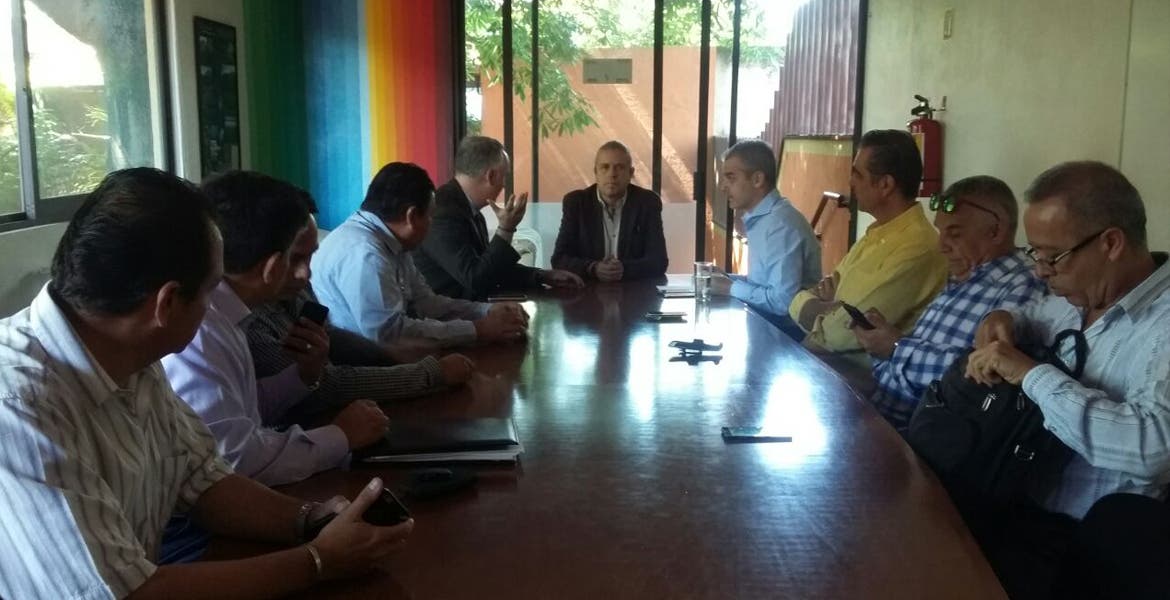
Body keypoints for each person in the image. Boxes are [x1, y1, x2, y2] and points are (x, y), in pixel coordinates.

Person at [0, 168, 411, 599]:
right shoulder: (20, 404)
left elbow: (203, 478)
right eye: (213, 289)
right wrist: (319, 560)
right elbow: (127, 595)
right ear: (167, 304)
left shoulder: (130, 351)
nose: (218, 304)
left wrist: (312, 519)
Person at [963, 161, 1170, 598]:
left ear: (1111, 243)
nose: (1040, 271)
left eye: (1052, 256)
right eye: (1033, 253)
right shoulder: (1073, 296)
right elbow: (1030, 316)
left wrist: (1032, 375)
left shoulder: (1162, 325)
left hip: (1088, 551)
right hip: (1011, 505)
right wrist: (1002, 317)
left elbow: (1154, 448)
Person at [163, 171, 390, 487]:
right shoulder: (202, 332)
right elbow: (235, 461)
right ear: (272, 266)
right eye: (296, 258)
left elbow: (244, 411)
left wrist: (302, 376)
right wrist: (340, 436)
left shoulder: (228, 316)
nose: (305, 274)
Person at [245, 195, 476, 417]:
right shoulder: (250, 321)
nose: (306, 273)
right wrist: (430, 374)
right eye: (294, 258)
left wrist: (387, 355)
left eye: (309, 257)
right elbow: (323, 386)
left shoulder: (290, 289)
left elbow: (329, 335)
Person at [852, 175, 1046, 429]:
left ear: (996, 231)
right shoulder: (963, 278)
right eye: (940, 232)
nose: (941, 246)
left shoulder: (1024, 284)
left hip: (920, 438)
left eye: (955, 234)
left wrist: (896, 347)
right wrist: (881, 342)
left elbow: (983, 372)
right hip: (881, 413)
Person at [313, 162, 528, 348]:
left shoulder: (392, 241)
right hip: (359, 366)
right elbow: (390, 334)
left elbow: (428, 303)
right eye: (430, 216)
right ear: (412, 216)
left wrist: (487, 311)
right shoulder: (366, 254)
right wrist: (478, 330)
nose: (432, 224)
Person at [788, 129, 948, 370]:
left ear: (885, 185)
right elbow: (818, 294)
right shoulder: (877, 233)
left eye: (857, 174)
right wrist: (824, 307)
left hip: (856, 380)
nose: (850, 182)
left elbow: (842, 333)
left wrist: (817, 305)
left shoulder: (918, 247)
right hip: (821, 362)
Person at [414, 135, 583, 300]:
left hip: (468, 309)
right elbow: (476, 279)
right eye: (504, 176)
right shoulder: (443, 212)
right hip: (445, 314)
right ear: (491, 176)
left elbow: (491, 269)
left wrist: (542, 275)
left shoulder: (467, 208)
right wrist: (505, 229)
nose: (503, 184)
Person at [708, 139, 821, 325]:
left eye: (731, 178)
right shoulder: (764, 219)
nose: (723, 187)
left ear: (757, 180)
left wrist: (730, 287)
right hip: (767, 323)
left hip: (788, 333)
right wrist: (726, 279)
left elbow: (783, 302)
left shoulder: (781, 224)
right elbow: (762, 283)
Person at [551, 140, 669, 281]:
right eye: (605, 167)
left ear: (631, 173)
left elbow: (659, 261)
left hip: (634, 288)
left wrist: (624, 269)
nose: (612, 174)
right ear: (596, 172)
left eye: (620, 167)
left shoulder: (647, 202)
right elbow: (559, 259)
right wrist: (593, 268)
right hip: (587, 289)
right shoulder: (576, 203)